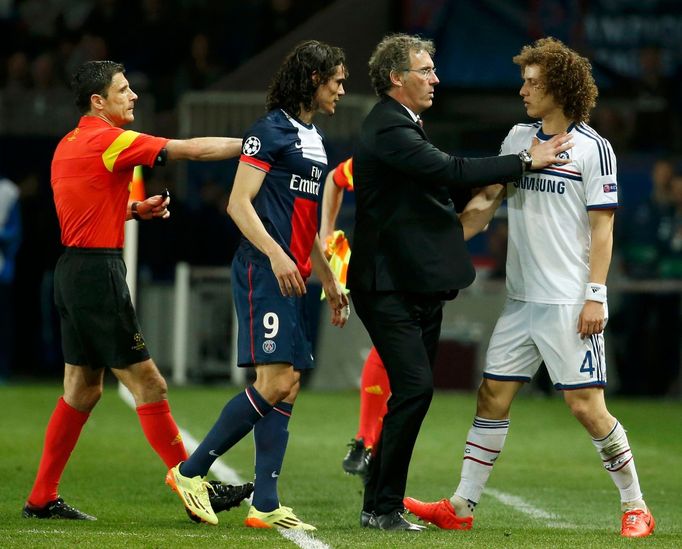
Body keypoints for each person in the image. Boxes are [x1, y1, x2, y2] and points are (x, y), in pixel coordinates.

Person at [403, 37, 656, 539]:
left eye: (532, 82)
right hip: (520, 301)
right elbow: (489, 198)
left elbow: (603, 230)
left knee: (587, 408)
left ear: (559, 89)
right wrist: (445, 238)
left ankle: (636, 506)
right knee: (491, 395)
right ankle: (462, 505)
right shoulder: (518, 138)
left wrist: (595, 296)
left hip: (569, 302)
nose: (522, 90)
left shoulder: (594, 149)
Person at [346, 33, 571, 532]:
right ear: (395, 79)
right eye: (425, 70)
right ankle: (383, 505)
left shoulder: (405, 124)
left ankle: (377, 502)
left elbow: (439, 181)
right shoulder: (387, 126)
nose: (435, 78)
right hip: (386, 285)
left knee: (413, 391)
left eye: (433, 69)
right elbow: (448, 170)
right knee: (416, 388)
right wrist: (520, 163)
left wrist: (490, 183)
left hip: (414, 283)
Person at [23, 60, 253, 521]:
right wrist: (251, 146)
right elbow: (189, 149)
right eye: (124, 90)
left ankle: (41, 497)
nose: (133, 97)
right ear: (98, 102)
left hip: (72, 269)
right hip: (97, 275)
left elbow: (81, 209)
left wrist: (132, 209)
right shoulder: (109, 139)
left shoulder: (68, 144)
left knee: (82, 389)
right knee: (150, 382)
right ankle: (195, 491)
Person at [166, 40, 350, 530]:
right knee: (274, 382)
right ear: (313, 79)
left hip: (294, 275)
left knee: (288, 387)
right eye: (336, 80)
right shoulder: (268, 132)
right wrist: (275, 254)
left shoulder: (314, 140)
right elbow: (239, 203)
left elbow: (306, 222)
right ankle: (190, 471)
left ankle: (265, 503)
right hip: (262, 270)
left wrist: (330, 279)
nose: (341, 89)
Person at [322, 158, 506, 481]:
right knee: (399, 360)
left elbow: (474, 209)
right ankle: (367, 441)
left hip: (422, 269)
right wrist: (327, 234)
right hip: (389, 271)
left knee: (406, 369)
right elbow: (335, 180)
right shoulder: (384, 161)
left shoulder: (425, 168)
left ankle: (371, 447)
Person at [0, 174, 22, 383]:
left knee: (3, 323)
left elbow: (15, 232)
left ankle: (4, 369)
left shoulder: (8, 191)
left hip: (2, 271)